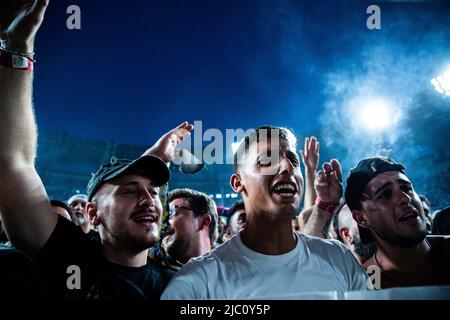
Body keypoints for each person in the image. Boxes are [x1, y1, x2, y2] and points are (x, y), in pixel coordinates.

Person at [0, 0, 193, 299]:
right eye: (129, 190)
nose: (149, 200)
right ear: (93, 213)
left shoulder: (183, 286)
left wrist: (150, 161)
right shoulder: (68, 256)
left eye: (154, 192)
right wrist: (16, 48)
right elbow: (13, 165)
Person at [162, 126, 367, 299]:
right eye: (268, 160)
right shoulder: (197, 283)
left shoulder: (339, 258)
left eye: (294, 161)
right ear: (238, 182)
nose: (287, 167)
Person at [345, 156, 450, 288]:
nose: (405, 198)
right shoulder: (370, 280)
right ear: (361, 218)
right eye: (386, 194)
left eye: (406, 188)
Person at [152, 188, 218, 271]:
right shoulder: (154, 279)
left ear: (204, 222)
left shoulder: (230, 272)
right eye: (163, 217)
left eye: (172, 213)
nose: (163, 223)